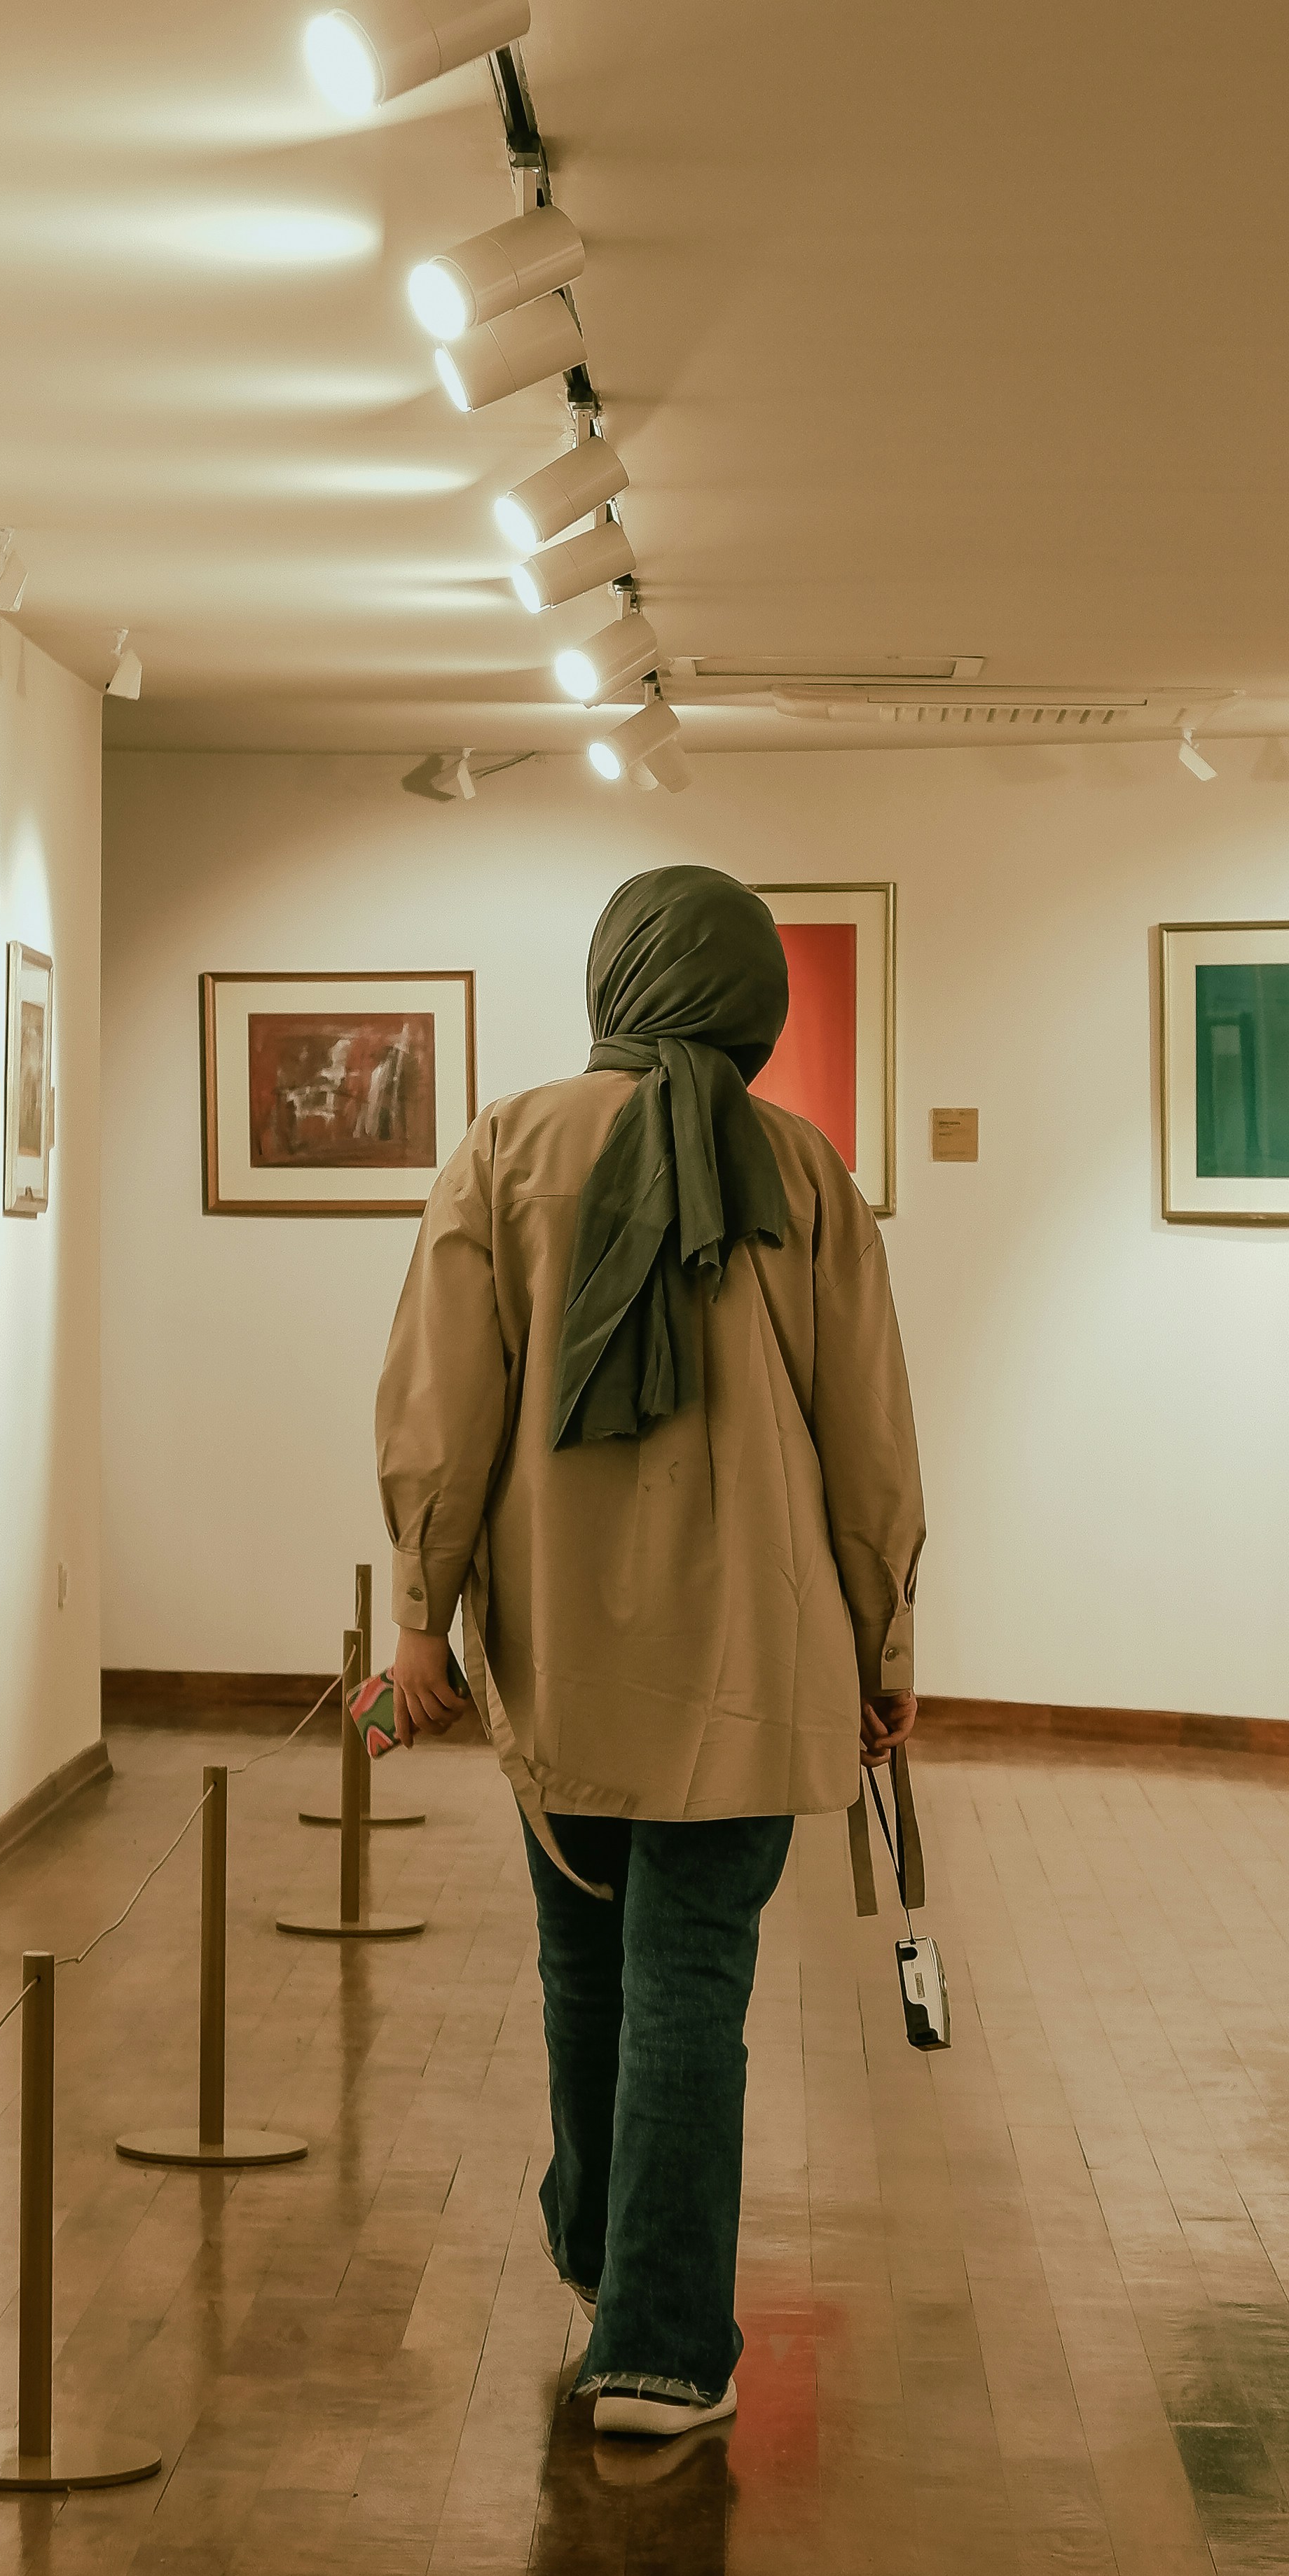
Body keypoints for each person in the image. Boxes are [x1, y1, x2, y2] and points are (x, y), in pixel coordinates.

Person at [375, 864, 925, 2442]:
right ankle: (661, 2349)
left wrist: (419, 1615)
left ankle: (598, 2264)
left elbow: (441, 1402)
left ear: (614, 976)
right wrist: (884, 1639)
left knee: (584, 1962)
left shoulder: (507, 1146)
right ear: (755, 1000)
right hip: (757, 1650)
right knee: (691, 1979)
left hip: (562, 1646)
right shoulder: (802, 1171)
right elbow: (867, 1435)